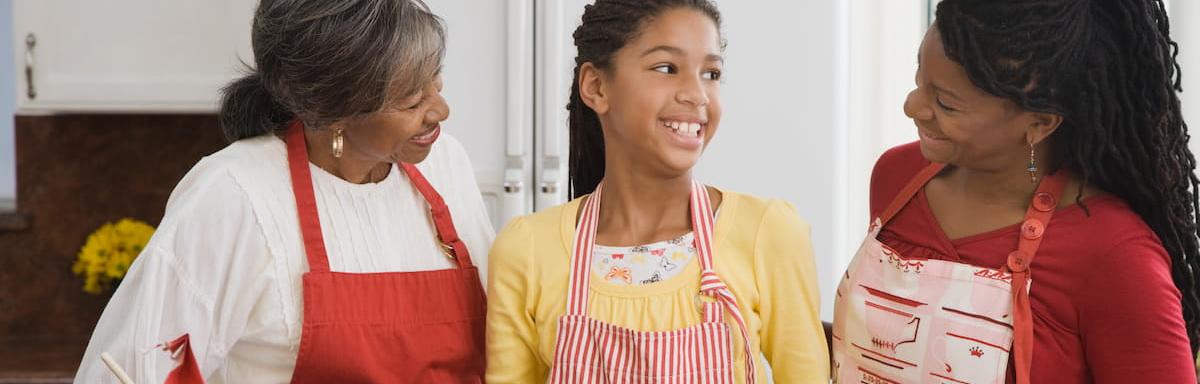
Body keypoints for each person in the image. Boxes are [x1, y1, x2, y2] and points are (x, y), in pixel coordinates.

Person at [74, 0, 494, 382]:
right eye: (411, 100)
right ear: (334, 112)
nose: (440, 110)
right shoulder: (234, 195)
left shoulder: (446, 165)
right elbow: (127, 371)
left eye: (435, 80)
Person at [831, 0, 1199, 382]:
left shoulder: (1115, 254)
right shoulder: (896, 177)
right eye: (918, 78)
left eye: (945, 103)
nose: (912, 106)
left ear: (1039, 124)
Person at [485, 0, 829, 382]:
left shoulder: (769, 233)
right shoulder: (526, 250)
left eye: (711, 73)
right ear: (596, 86)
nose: (698, 95)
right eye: (667, 68)